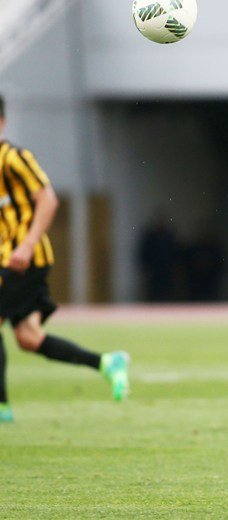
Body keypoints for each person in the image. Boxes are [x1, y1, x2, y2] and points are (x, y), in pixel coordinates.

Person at [0, 94, 130, 424]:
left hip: (24, 259)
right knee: (28, 338)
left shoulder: (14, 157)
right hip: (7, 261)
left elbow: (48, 200)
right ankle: (106, 363)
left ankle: (1, 407)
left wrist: (27, 245)